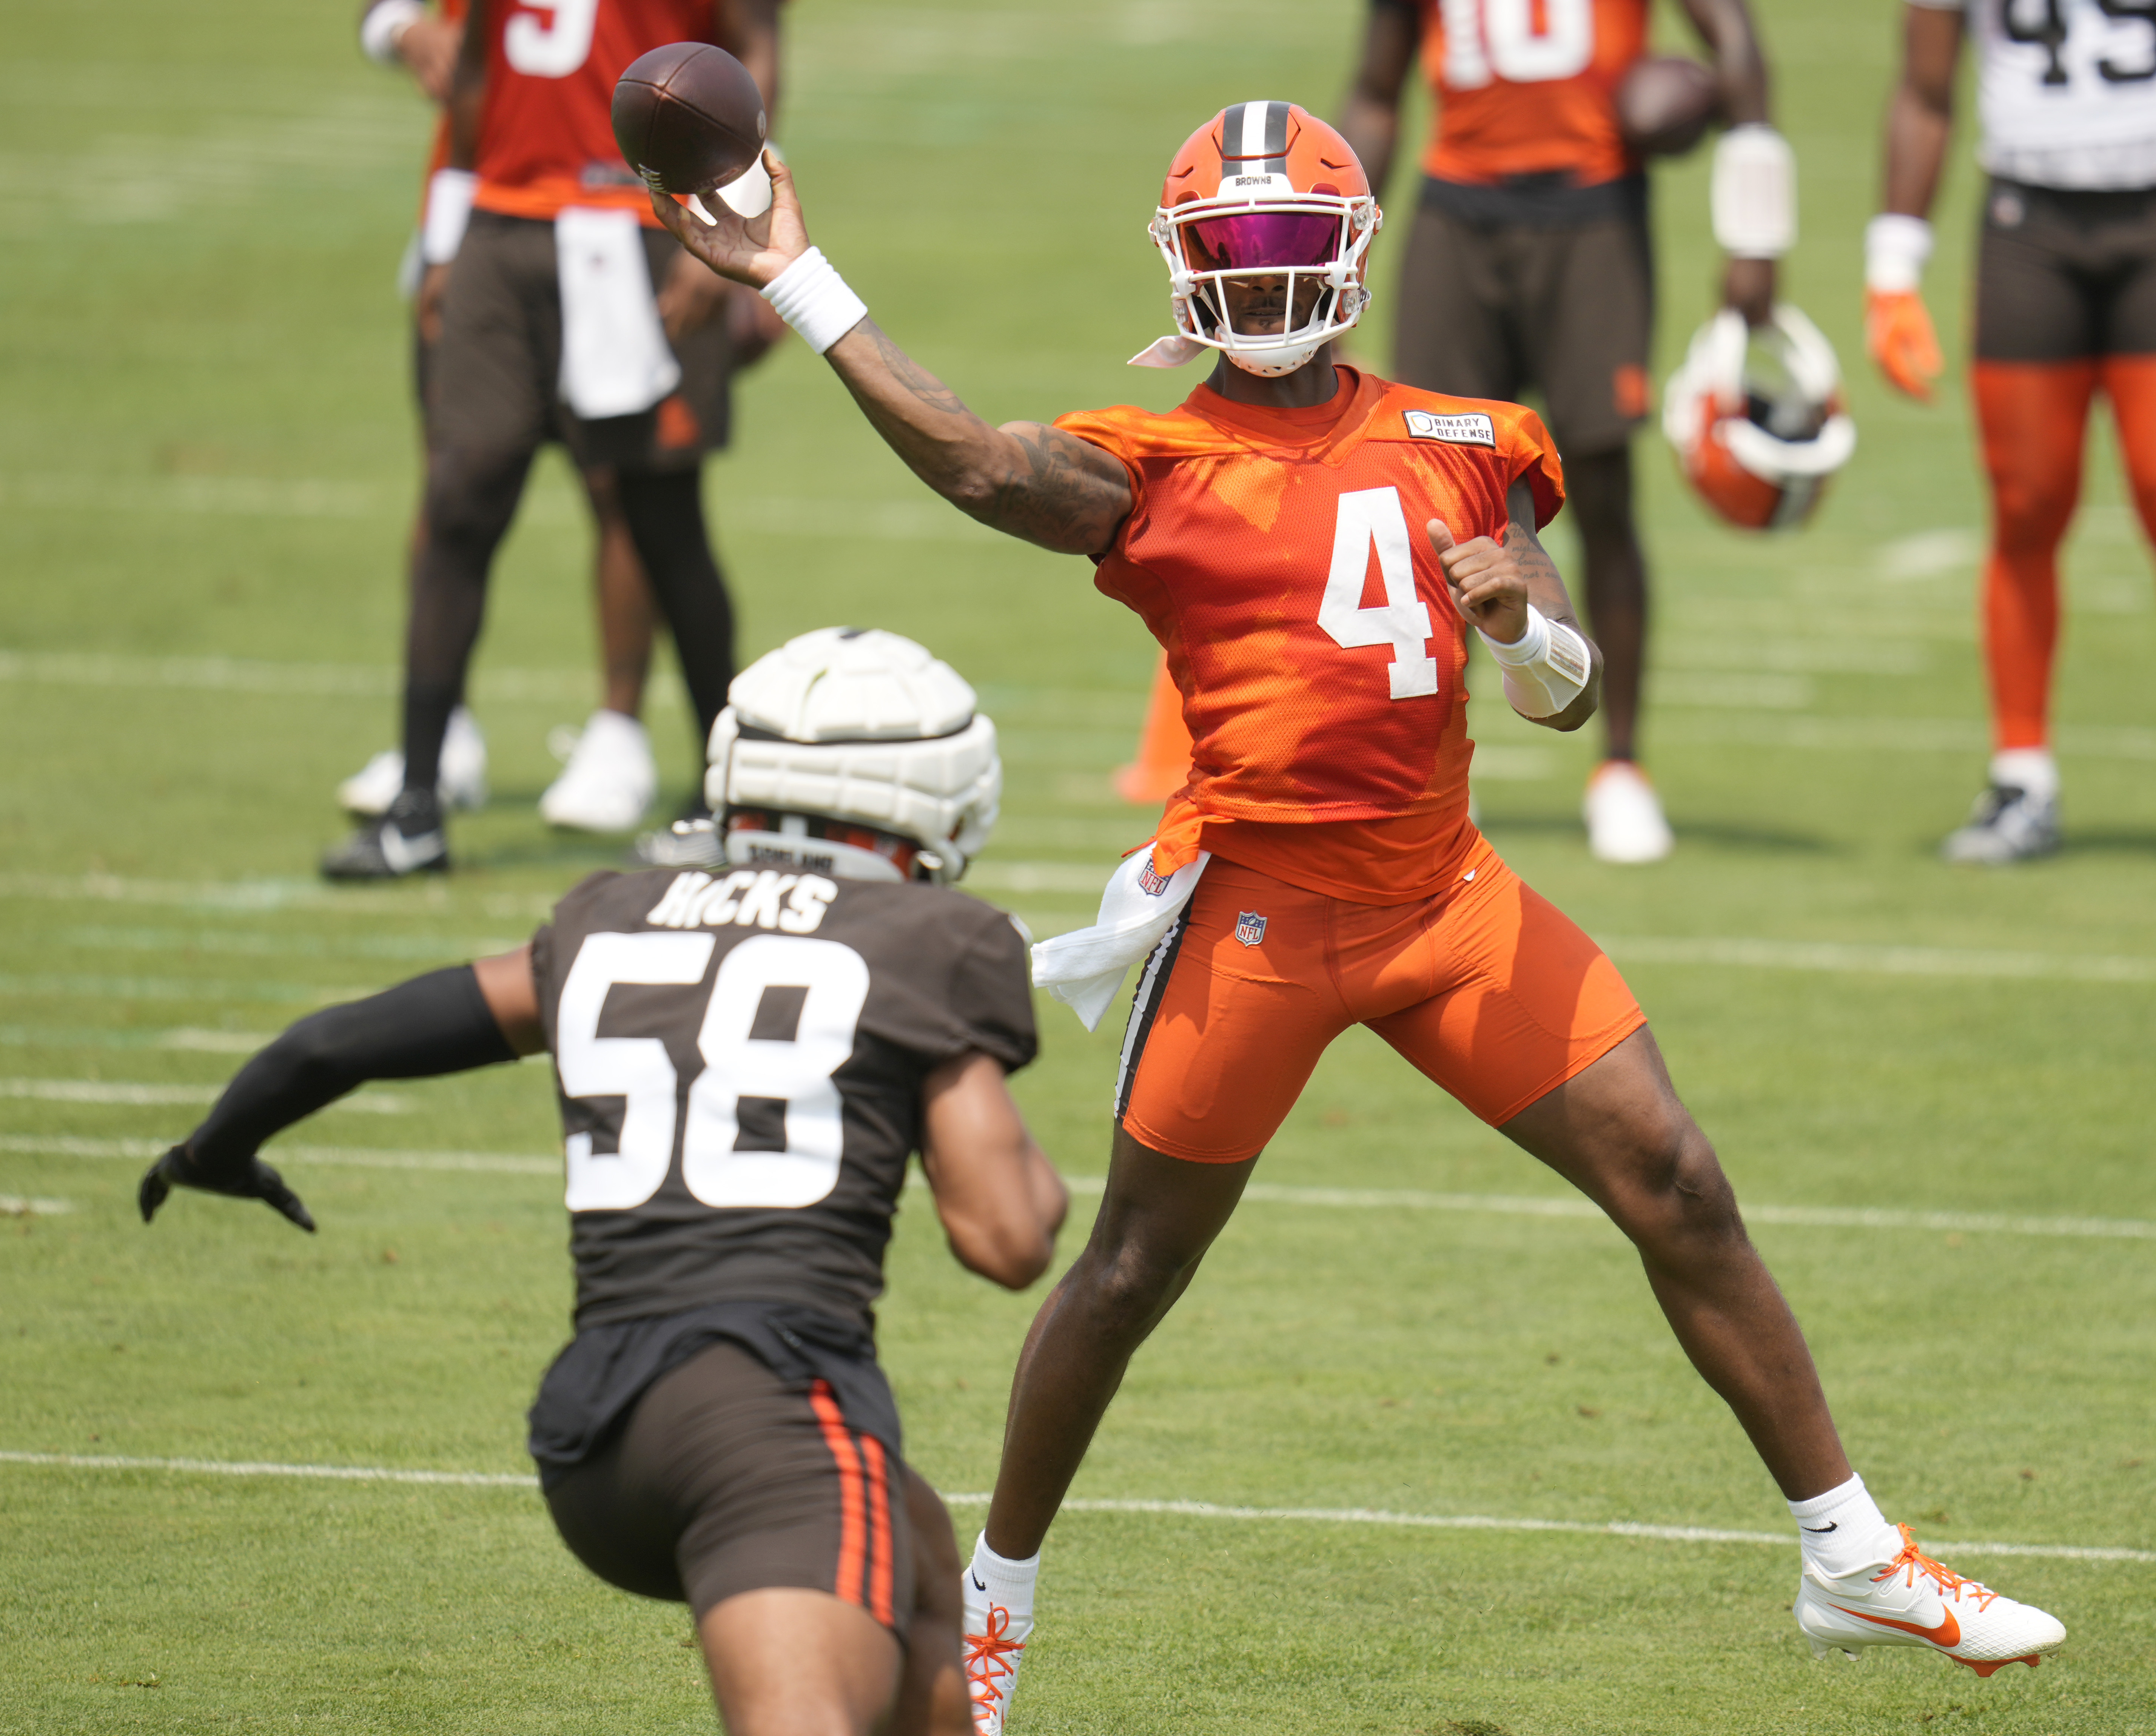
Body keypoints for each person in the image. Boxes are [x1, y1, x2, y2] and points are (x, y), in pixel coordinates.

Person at [652, 104, 2068, 1734]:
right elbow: (976, 459)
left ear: (1350, 250)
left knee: (1676, 1180)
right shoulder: (1151, 464)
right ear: (1188, 274)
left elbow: (1562, 688)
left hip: (1445, 899)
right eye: (1230, 255)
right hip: (1258, 918)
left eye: (1284, 247)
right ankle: (991, 1605)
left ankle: (1847, 1552)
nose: (1261, 283)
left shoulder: (1468, 434)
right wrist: (792, 274)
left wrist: (1526, 638)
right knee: (1124, 1274)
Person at [142, 627, 1071, 1736]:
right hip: (767, 1425)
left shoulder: (612, 913)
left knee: (916, 1552)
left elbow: (336, 1043)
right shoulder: (930, 941)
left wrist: (213, 1151)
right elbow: (1006, 1237)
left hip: (594, 1436)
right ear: (944, 799)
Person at [322, 0, 786, 882]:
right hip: (502, 223)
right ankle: (416, 804)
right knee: (459, 494)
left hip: (639, 220)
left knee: (660, 516)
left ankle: (728, 799)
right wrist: (446, 228)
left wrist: (729, 226)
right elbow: (469, 64)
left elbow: (753, 50)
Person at [1334, 0, 1793, 863]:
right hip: (1454, 212)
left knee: (1601, 489)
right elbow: (1375, 91)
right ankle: (1429, 772)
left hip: (1592, 212)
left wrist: (1755, 236)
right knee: (1427, 502)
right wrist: (1336, 257)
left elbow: (1732, 37)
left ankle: (1619, 766)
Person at [1866, 0, 2156, 871]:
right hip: (2027, 223)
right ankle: (2020, 773)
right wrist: (1892, 267)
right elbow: (1924, 87)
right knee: (2024, 505)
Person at [348, 0, 671, 837]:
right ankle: (442, 730)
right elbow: (390, 16)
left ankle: (618, 730)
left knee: (624, 488)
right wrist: (402, 32)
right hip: (481, 204)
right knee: (454, 478)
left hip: (611, 214)